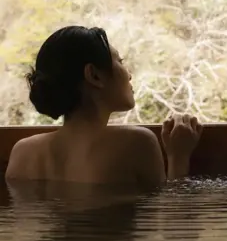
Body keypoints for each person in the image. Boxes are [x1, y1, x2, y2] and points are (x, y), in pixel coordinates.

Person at [5, 26, 202, 188]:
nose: (129, 75)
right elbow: (173, 221)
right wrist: (179, 157)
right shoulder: (136, 143)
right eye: (120, 62)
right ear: (94, 75)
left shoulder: (23, 152)